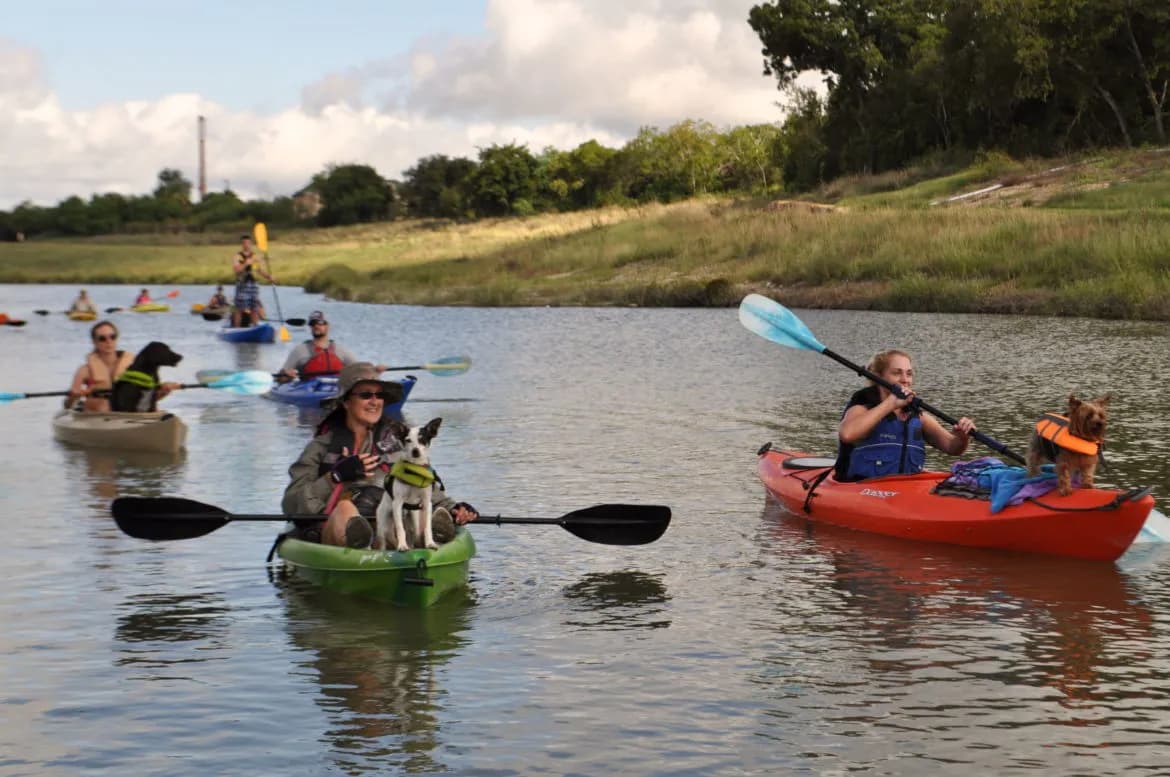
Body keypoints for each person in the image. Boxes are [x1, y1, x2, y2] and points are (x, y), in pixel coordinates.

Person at [282, 362, 478, 548]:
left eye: (379, 395)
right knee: (345, 508)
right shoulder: (319, 447)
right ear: (346, 402)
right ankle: (362, 542)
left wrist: (454, 508)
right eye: (366, 395)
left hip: (389, 521)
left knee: (414, 510)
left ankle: (427, 537)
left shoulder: (402, 447)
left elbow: (425, 488)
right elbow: (291, 504)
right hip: (334, 529)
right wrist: (335, 477)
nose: (375, 402)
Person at [835, 349, 977, 481]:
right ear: (878, 376)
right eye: (897, 373)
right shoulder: (862, 408)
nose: (905, 380)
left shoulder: (918, 417)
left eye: (909, 373)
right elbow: (847, 434)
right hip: (863, 490)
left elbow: (952, 447)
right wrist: (890, 404)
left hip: (905, 491)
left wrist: (962, 437)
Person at [279, 311, 387, 379]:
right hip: (310, 390)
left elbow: (358, 370)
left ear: (327, 326)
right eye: (313, 324)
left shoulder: (340, 350)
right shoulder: (300, 350)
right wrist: (285, 375)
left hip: (337, 387)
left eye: (320, 323)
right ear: (310, 327)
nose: (316, 326)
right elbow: (280, 377)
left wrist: (376, 371)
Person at [65, 321, 135, 412]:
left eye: (112, 337)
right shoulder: (84, 370)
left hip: (125, 413)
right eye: (102, 338)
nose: (108, 341)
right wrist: (73, 397)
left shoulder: (132, 365)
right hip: (97, 414)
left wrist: (158, 393)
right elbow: (67, 405)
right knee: (104, 405)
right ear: (95, 342)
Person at [231, 234, 273, 327]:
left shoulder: (254, 256)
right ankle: (237, 328)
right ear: (242, 244)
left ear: (251, 244)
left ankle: (255, 326)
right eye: (245, 243)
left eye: (248, 243)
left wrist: (269, 277)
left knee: (254, 307)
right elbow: (237, 269)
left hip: (252, 284)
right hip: (242, 284)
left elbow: (259, 270)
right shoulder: (237, 256)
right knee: (239, 308)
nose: (246, 245)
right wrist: (246, 263)